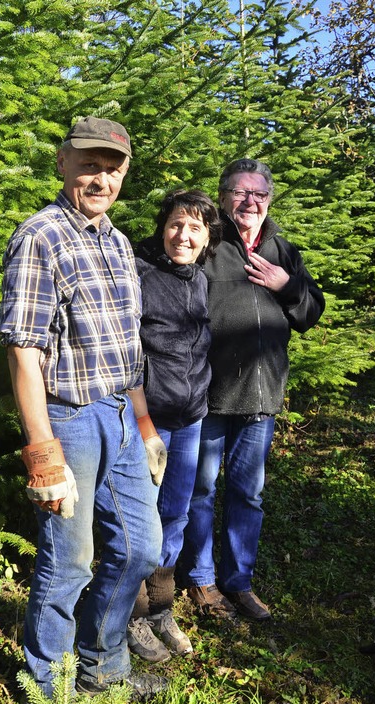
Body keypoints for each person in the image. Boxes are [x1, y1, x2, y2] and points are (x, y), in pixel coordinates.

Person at [0, 116, 168, 699]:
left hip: (121, 412)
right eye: (89, 164)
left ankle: (102, 664)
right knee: (68, 563)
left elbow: (129, 347)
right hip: (68, 420)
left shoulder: (118, 243)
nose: (101, 178)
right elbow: (24, 351)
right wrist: (42, 455)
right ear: (63, 163)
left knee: (142, 548)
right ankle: (48, 689)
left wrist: (145, 426)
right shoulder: (39, 236)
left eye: (113, 168)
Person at [183, 158, 325, 621]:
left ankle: (238, 582)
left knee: (248, 493)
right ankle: (201, 581)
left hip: (262, 398)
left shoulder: (283, 250)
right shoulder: (209, 244)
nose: (251, 202)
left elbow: (309, 314)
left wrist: (288, 287)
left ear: (269, 199)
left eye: (260, 194)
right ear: (223, 197)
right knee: (201, 491)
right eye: (241, 193)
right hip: (209, 394)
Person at [125, 190, 222, 663]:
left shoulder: (201, 280)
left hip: (191, 419)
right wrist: (142, 421)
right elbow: (127, 351)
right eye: (176, 225)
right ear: (163, 227)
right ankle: (132, 613)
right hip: (149, 419)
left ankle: (162, 607)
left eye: (195, 228)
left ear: (207, 238)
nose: (183, 235)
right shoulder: (139, 272)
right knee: (140, 518)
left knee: (177, 513)